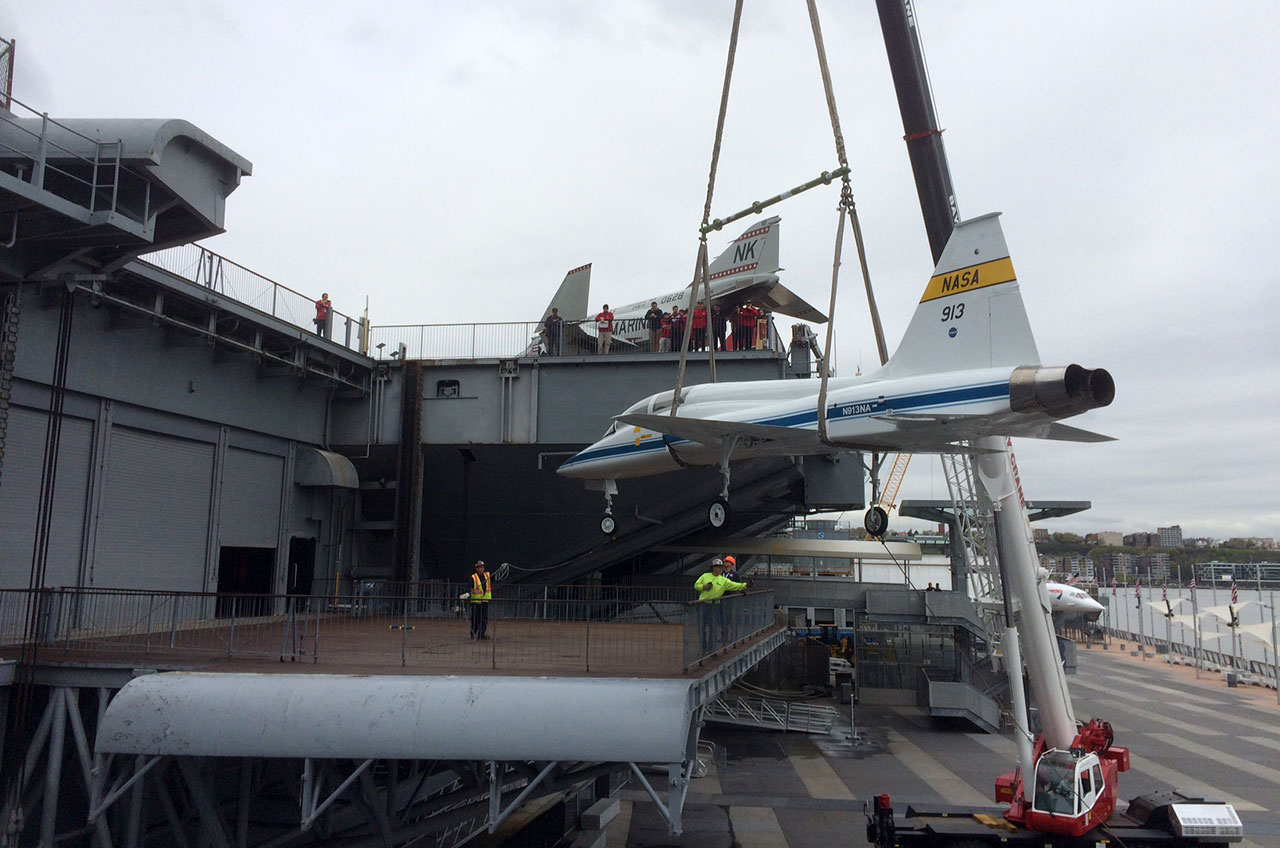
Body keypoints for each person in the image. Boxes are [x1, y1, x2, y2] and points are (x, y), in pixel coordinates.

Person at [694, 558, 748, 654]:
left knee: (713, 628)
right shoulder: (705, 576)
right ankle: (703, 647)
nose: (718, 569)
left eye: (719, 567)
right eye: (716, 567)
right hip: (702, 604)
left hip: (714, 605)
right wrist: (704, 587)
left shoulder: (724, 580)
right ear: (712, 568)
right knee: (701, 627)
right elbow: (696, 585)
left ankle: (711, 649)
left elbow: (735, 585)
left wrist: (745, 585)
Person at [467, 560, 493, 640]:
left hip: (484, 601)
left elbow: (494, 578)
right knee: (475, 619)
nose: (482, 569)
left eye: (483, 567)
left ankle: (481, 634)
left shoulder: (487, 576)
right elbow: (470, 588)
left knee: (484, 619)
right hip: (476, 602)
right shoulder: (473, 578)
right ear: (477, 568)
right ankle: (473, 633)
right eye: (480, 567)